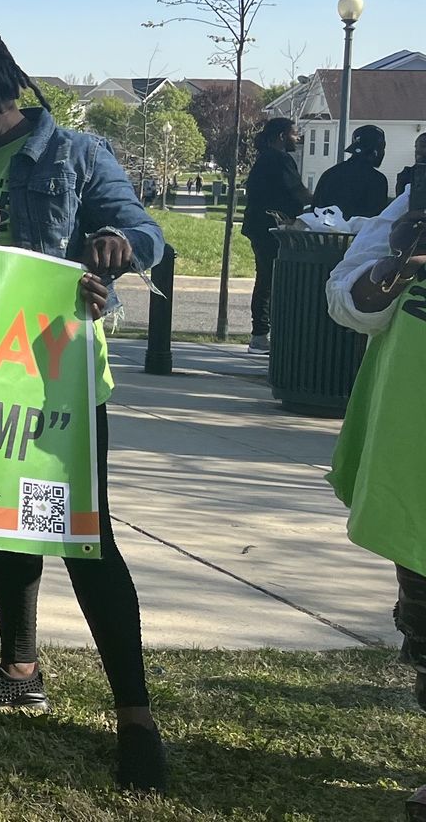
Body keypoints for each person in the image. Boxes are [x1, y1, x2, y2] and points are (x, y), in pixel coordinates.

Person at [0, 13, 169, 792]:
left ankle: (136, 716)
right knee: (5, 519)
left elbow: (146, 230)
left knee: (84, 534)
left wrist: (120, 246)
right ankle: (20, 667)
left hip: (60, 377)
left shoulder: (74, 152)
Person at [324, 189, 426, 822]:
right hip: (411, 442)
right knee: (424, 608)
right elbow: (347, 304)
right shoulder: (416, 203)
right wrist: (399, 262)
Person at [242, 117, 308, 354]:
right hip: (270, 229)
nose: (297, 138)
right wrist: (317, 205)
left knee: (266, 279)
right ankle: (261, 336)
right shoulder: (280, 160)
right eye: (294, 133)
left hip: (258, 227)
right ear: (281, 136)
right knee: (271, 281)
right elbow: (297, 193)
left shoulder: (265, 158)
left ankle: (261, 334)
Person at [313, 125, 390, 220]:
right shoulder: (377, 180)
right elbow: (376, 219)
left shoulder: (330, 174)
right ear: (376, 151)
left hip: (323, 231)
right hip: (360, 233)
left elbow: (315, 208)